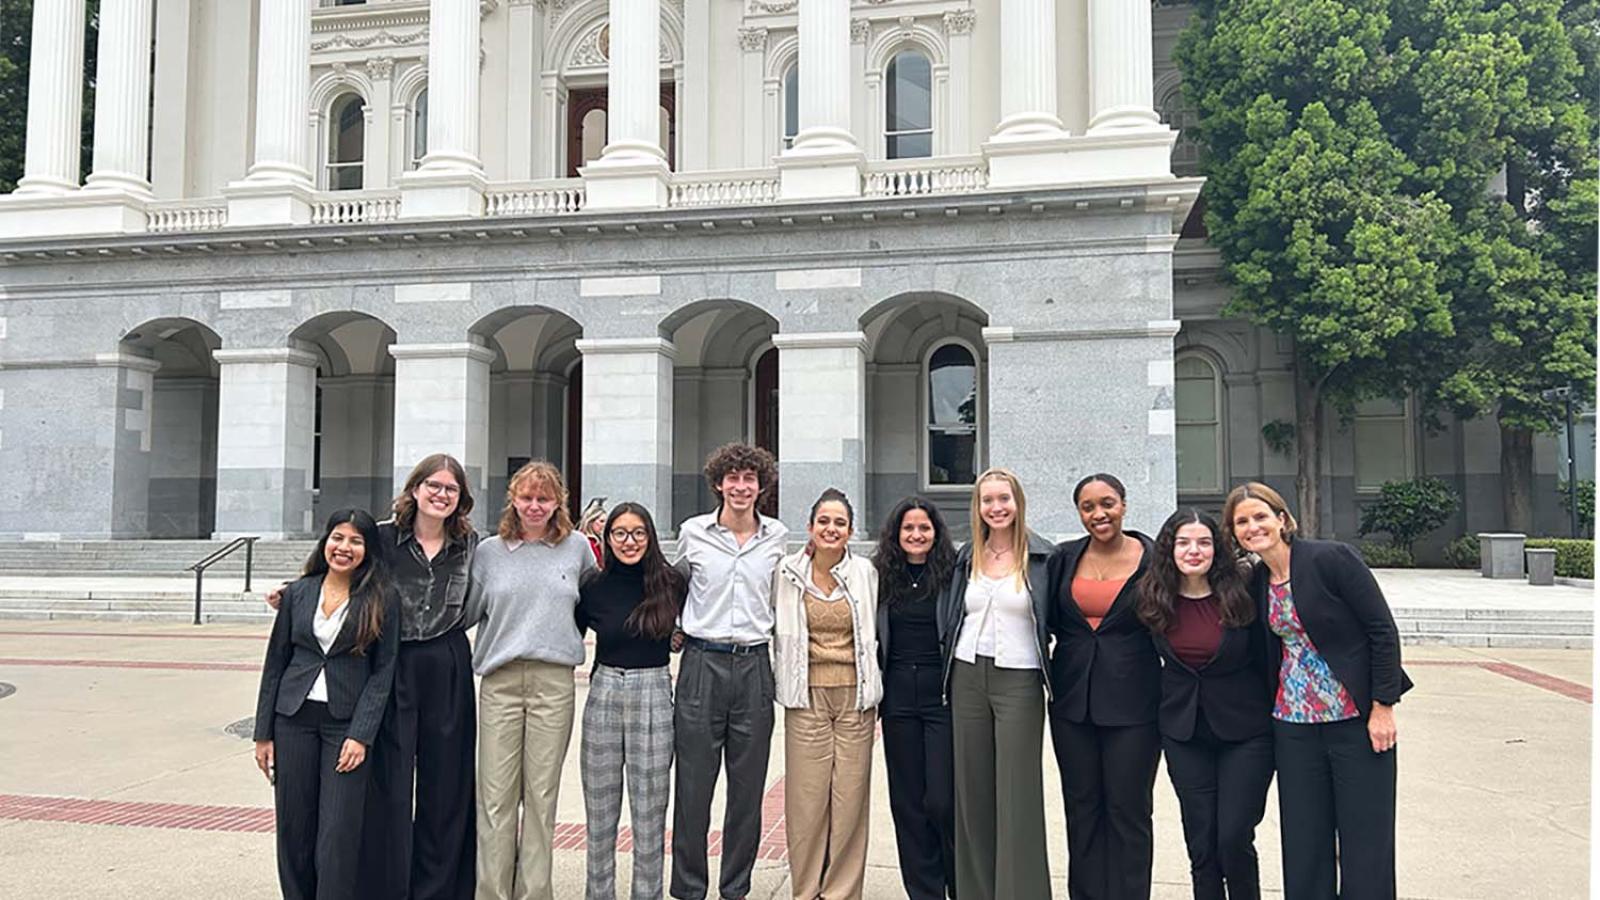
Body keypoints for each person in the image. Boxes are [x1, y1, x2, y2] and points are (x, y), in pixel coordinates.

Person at [1224, 482, 1412, 900]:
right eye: (1242, 522)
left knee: (1366, 841)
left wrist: (1383, 707)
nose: (1253, 526)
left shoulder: (1330, 559)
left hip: (1355, 721)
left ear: (1282, 519)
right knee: (1305, 842)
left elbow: (1381, 631)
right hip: (1292, 726)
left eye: (1260, 516)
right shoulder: (1255, 580)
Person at [465, 461, 597, 900]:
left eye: (544, 498)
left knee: (541, 796)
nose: (535, 506)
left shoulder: (577, 549)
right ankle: (492, 893)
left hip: (553, 681)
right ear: (513, 500)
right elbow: (463, 611)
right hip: (500, 682)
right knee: (496, 798)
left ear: (558, 501)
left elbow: (600, 601)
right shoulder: (489, 552)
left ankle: (534, 892)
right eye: (527, 497)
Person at [253, 509, 398, 900]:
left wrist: (361, 735)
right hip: (293, 720)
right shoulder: (299, 593)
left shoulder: (381, 597)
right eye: (338, 538)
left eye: (355, 540)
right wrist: (262, 734)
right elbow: (275, 663)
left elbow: (383, 672)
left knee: (338, 832)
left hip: (345, 726)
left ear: (367, 549)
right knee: (294, 826)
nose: (344, 548)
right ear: (325, 542)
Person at [1135, 509, 1274, 900]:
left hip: (1245, 734)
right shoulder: (1153, 596)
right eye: (1183, 542)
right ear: (1169, 548)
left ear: (1217, 549)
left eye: (1203, 542)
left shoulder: (1244, 592)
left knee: (1233, 837)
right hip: (1184, 732)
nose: (1193, 551)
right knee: (1201, 841)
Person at [670, 442, 787, 900]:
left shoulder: (776, 537)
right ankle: (688, 888)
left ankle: (735, 887)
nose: (741, 487)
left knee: (746, 792)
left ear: (761, 487)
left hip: (755, 667)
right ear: (719, 483)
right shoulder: (693, 532)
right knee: (694, 788)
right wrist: (673, 629)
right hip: (702, 664)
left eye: (749, 479)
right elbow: (675, 588)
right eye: (732, 478)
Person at [363, 454, 480, 900]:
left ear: (460, 499)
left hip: (447, 661)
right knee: (390, 782)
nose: (441, 494)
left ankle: (438, 888)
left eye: (451, 489)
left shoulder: (470, 545)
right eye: (434, 485)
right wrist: (293, 592)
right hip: (393, 661)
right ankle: (390, 884)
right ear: (414, 489)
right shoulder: (380, 538)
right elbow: (339, 573)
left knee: (446, 783)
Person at [938, 467, 1053, 900]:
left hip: (1019, 681)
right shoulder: (967, 555)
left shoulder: (1042, 557)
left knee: (1017, 792)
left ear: (1017, 502)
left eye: (1004, 498)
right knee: (972, 792)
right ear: (978, 507)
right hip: (967, 675)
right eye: (988, 500)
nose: (996, 507)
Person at [1045, 473, 1160, 900]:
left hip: (1135, 705)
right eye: (1088, 507)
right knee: (1082, 807)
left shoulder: (1152, 559)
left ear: (1124, 505)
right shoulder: (1064, 558)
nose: (1099, 514)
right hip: (1073, 703)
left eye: (1107, 503)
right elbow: (1051, 619)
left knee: (1128, 809)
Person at [771, 488, 882, 900]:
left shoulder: (866, 574)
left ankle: (841, 891)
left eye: (839, 523)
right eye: (824, 521)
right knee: (806, 802)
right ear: (811, 528)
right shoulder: (785, 573)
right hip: (807, 697)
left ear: (850, 531)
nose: (831, 529)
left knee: (850, 800)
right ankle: (805, 889)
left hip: (855, 700)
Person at [575, 502, 685, 900]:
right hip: (603, 691)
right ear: (606, 538)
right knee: (600, 814)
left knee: (650, 813)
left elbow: (692, 624)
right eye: (619, 533)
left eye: (638, 532)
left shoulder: (671, 582)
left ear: (651, 537)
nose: (629, 541)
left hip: (653, 692)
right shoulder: (592, 585)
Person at [874, 496, 959, 900]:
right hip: (897, 701)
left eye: (924, 528)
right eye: (908, 528)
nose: (916, 535)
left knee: (942, 799)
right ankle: (924, 891)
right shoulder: (880, 577)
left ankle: (956, 881)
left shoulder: (952, 575)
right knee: (907, 803)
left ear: (936, 533)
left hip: (939, 697)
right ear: (896, 535)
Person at [578, 498, 608, 566]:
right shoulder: (589, 542)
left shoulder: (598, 541)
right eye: (602, 521)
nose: (604, 525)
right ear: (591, 522)